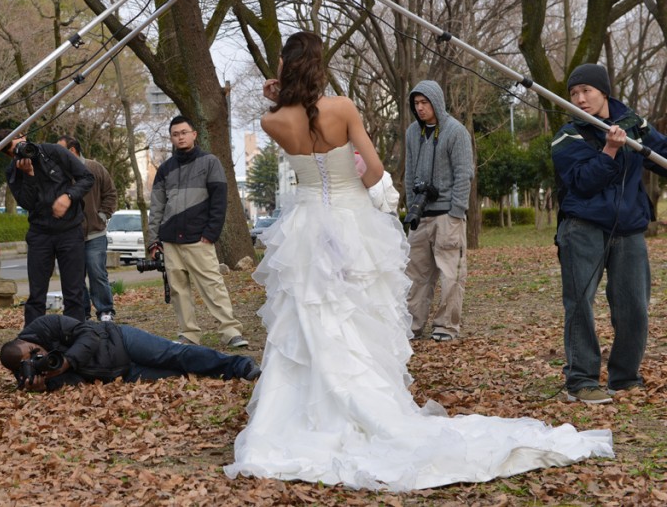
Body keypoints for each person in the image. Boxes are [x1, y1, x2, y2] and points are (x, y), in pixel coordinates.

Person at [224, 31, 612, 490]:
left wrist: (275, 98)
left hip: (307, 227)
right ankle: (366, 398)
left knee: (309, 313)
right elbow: (371, 170)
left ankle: (305, 410)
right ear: (319, 67)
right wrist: (372, 189)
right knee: (358, 312)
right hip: (350, 221)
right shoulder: (343, 108)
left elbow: (286, 120)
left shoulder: (273, 123)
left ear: (285, 69)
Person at [552, 63, 667, 404]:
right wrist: (611, 150)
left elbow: (661, 154)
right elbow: (583, 182)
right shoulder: (567, 135)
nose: (580, 99)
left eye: (587, 91)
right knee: (580, 304)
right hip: (582, 227)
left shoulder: (633, 124)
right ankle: (582, 380)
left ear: (604, 92)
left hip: (629, 228)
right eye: (574, 93)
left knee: (634, 305)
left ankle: (625, 377)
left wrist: (631, 140)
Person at [147, 116, 246, 348]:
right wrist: (154, 240)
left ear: (194, 134)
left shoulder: (210, 162)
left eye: (184, 132)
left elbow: (220, 201)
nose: (180, 137)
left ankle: (231, 331)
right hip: (171, 240)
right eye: (175, 134)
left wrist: (211, 233)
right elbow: (157, 207)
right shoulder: (164, 169)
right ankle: (189, 334)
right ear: (171, 138)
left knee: (213, 286)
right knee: (179, 290)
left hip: (199, 239)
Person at [0, 314, 260, 391]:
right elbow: (79, 381)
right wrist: (49, 385)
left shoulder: (43, 326)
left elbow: (88, 333)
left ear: (25, 340)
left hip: (121, 340)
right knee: (177, 373)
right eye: (33, 359)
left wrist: (67, 361)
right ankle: (220, 373)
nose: (39, 355)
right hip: (119, 372)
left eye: (34, 351)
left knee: (176, 355)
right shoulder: (32, 376)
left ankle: (238, 365)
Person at [403, 80, 474, 342]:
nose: (420, 108)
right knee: (415, 274)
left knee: (451, 274)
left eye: (425, 103)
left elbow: (464, 174)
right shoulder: (413, 132)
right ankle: (412, 325)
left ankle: (446, 326)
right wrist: (413, 207)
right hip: (420, 215)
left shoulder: (456, 132)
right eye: (416, 103)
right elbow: (409, 173)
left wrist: (456, 212)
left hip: (448, 215)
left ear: (436, 102)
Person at [0, 129, 94, 326]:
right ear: (10, 154)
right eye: (14, 149)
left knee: (74, 291)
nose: (21, 148)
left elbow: (87, 177)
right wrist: (29, 176)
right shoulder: (13, 171)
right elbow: (26, 203)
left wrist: (68, 197)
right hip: (40, 233)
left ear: (24, 135)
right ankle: (34, 339)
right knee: (36, 294)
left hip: (70, 230)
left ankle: (75, 335)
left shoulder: (53, 152)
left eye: (20, 141)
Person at [56, 135, 117, 321]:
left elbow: (110, 193)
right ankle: (81, 312)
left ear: (73, 150)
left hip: (95, 232)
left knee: (97, 273)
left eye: (60, 150)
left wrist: (103, 215)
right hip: (69, 234)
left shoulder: (94, 168)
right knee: (75, 277)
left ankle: (105, 310)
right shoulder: (59, 173)